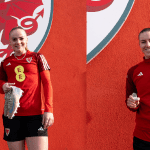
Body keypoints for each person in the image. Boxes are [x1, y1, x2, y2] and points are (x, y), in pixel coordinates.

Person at [0, 26, 54, 150]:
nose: (18, 42)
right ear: (10, 42)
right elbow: (0, 84)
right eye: (14, 39)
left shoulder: (37, 57)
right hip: (11, 116)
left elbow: (47, 84)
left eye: (21, 38)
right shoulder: (5, 62)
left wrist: (49, 110)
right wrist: (3, 85)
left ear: (27, 39)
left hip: (35, 116)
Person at [126, 28, 150, 150]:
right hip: (142, 139)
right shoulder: (133, 71)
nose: (147, 45)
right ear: (139, 44)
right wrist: (132, 104)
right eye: (143, 42)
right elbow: (130, 102)